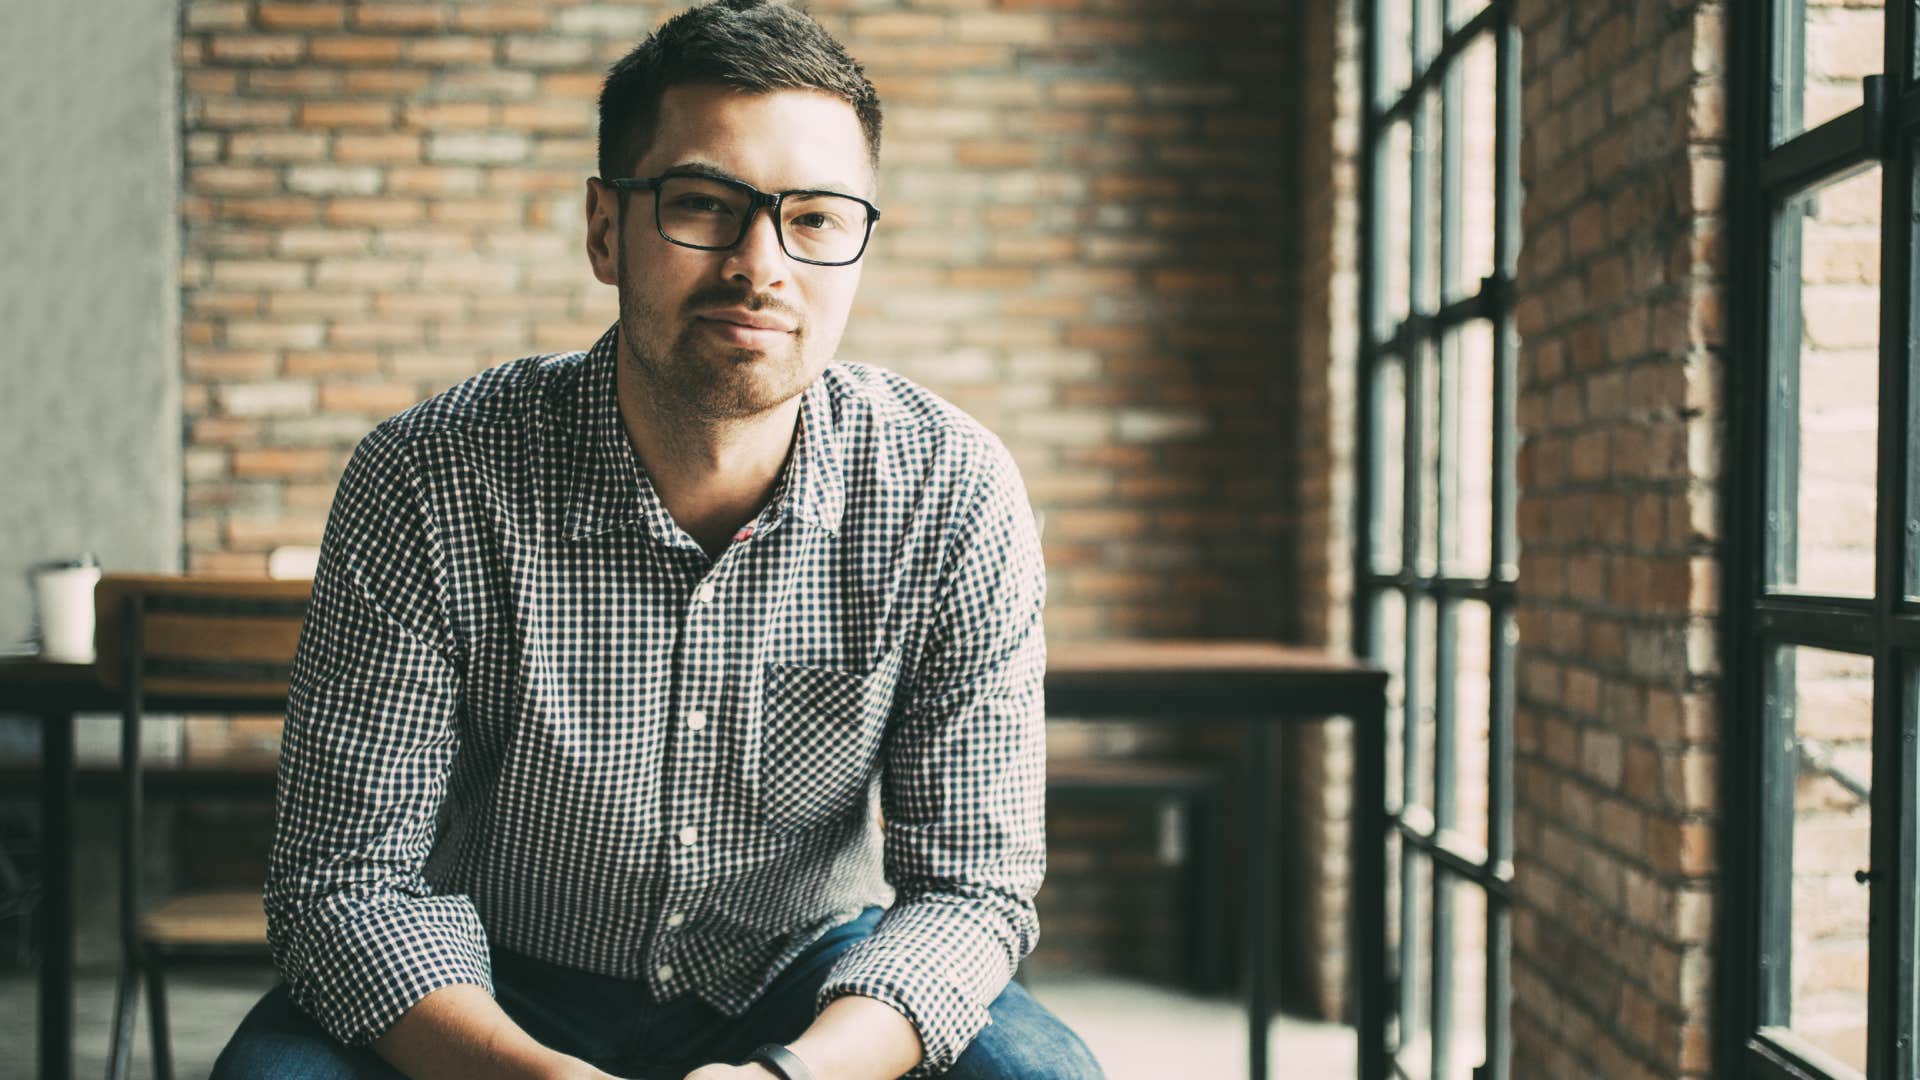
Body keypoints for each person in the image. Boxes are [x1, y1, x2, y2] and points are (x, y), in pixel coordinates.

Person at [209, 1, 1102, 1078]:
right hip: (489, 974)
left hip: (807, 973)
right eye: (702, 205)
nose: (760, 264)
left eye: (815, 218)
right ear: (605, 228)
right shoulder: (429, 477)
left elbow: (972, 889)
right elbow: (342, 882)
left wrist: (800, 1074)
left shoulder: (953, 491)